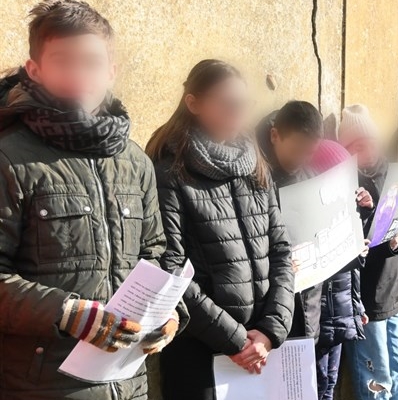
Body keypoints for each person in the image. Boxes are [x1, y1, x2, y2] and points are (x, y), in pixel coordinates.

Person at [0, 1, 185, 398]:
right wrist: (68, 314)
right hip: (45, 387)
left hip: (129, 384)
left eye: (91, 62)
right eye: (63, 61)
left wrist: (169, 313)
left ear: (111, 71)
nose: (79, 75)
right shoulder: (9, 157)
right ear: (34, 70)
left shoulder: (135, 161)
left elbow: (156, 252)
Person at [146, 60, 295, 400]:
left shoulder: (255, 164)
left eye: (243, 104)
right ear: (194, 103)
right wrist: (235, 341)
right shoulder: (169, 171)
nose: (238, 113)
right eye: (227, 104)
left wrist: (270, 331)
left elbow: (281, 251)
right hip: (199, 353)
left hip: (260, 350)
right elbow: (172, 269)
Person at [338, 104, 398, 400]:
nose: (368, 150)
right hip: (366, 297)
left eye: (371, 142)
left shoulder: (394, 174)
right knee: (376, 380)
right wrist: (366, 211)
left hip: (394, 292)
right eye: (357, 146)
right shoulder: (343, 182)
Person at [256, 100, 326, 343]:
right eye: (297, 149)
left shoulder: (313, 178)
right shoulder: (254, 179)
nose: (302, 158)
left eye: (310, 152)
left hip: (309, 309)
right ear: (274, 136)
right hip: (269, 314)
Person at [309, 139, 371, 400]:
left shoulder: (346, 210)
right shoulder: (312, 217)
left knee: (330, 383)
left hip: (340, 314)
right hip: (320, 319)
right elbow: (323, 266)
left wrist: (364, 213)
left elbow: (351, 275)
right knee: (318, 383)